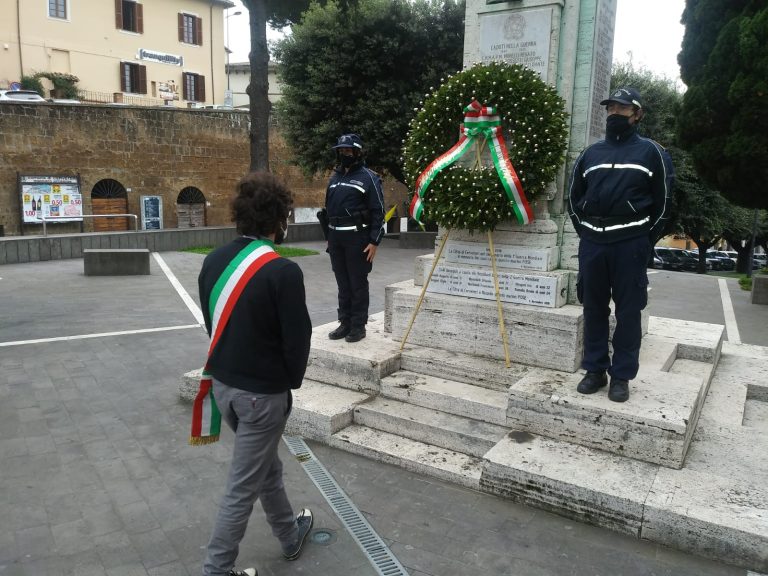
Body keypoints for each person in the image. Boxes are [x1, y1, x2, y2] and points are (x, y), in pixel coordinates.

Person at [198, 172, 313, 576]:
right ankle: (217, 568)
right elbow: (297, 343)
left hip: (223, 388)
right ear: (279, 220)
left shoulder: (212, 260)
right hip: (261, 397)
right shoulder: (283, 272)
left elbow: (212, 323)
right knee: (241, 487)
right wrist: (285, 386)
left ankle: (289, 533)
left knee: (266, 468)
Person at [567, 87, 672, 403]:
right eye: (611, 107)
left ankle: (621, 377)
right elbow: (574, 199)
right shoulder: (590, 154)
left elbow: (664, 203)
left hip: (630, 245)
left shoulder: (652, 153)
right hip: (593, 245)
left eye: (622, 109)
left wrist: (643, 238)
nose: (615, 113)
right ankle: (595, 370)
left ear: (637, 114)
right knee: (593, 307)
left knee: (628, 312)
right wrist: (586, 233)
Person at [324, 133, 385, 343]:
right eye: (341, 151)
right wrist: (328, 238)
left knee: (357, 283)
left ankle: (358, 326)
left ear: (358, 152)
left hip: (357, 239)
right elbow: (328, 210)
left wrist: (374, 241)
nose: (344, 154)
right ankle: (345, 322)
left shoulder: (369, 177)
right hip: (336, 238)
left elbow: (378, 211)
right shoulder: (335, 178)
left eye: (348, 151)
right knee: (343, 283)